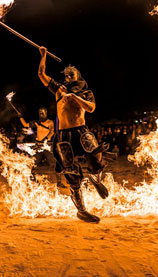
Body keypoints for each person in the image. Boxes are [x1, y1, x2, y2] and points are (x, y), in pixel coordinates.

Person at [37, 46, 109, 224]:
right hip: (64, 135)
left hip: (81, 131)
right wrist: (44, 56)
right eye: (66, 75)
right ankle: (82, 211)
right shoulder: (59, 90)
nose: (68, 78)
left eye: (71, 75)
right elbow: (41, 74)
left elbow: (91, 108)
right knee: (71, 173)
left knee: (95, 158)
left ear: (78, 76)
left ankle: (95, 178)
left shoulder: (86, 92)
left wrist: (74, 97)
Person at [18, 107, 66, 188]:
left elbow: (52, 131)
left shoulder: (50, 122)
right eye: (40, 113)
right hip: (38, 146)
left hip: (47, 146)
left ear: (46, 113)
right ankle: (32, 180)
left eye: (43, 113)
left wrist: (46, 139)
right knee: (33, 163)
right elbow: (25, 125)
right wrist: (20, 117)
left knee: (55, 163)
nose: (41, 114)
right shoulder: (36, 123)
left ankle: (59, 182)